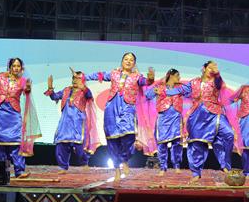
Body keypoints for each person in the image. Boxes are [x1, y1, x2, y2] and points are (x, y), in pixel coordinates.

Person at [84, 53, 155, 182]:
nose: (128, 61)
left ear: (134, 64)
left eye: (131, 60)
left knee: (129, 136)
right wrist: (83, 77)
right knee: (112, 140)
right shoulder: (114, 73)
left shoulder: (137, 77)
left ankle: (124, 159)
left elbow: (146, 82)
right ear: (122, 61)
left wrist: (150, 79)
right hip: (111, 109)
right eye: (126, 59)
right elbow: (99, 75)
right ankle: (117, 168)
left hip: (127, 108)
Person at [164, 61, 235, 183]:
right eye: (210, 67)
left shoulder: (216, 81)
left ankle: (225, 165)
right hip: (197, 116)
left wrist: (217, 73)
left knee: (228, 135)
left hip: (215, 113)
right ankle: (196, 173)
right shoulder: (194, 82)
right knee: (197, 143)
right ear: (204, 68)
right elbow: (181, 89)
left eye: (214, 68)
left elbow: (219, 83)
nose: (212, 70)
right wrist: (165, 92)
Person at [0, 57, 40, 178]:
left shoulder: (23, 81)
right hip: (0, 113)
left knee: (16, 143)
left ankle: (19, 171)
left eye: (18, 66)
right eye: (14, 66)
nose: (16, 68)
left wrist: (28, 88)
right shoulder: (0, 77)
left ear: (21, 68)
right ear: (10, 67)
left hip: (14, 115)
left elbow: (26, 91)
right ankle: (1, 172)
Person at [44, 70, 99, 173]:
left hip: (78, 123)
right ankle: (63, 167)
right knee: (61, 145)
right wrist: (50, 88)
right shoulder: (66, 90)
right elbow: (55, 97)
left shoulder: (84, 91)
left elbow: (89, 96)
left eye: (78, 79)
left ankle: (84, 162)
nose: (75, 80)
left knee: (79, 148)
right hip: (65, 124)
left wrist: (83, 87)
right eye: (74, 78)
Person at [147, 69, 186, 175]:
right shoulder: (160, 87)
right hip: (163, 119)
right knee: (162, 143)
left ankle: (177, 166)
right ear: (171, 75)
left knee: (177, 143)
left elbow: (191, 93)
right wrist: (155, 87)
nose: (179, 77)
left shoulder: (180, 88)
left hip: (176, 118)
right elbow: (148, 95)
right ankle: (163, 167)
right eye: (177, 75)